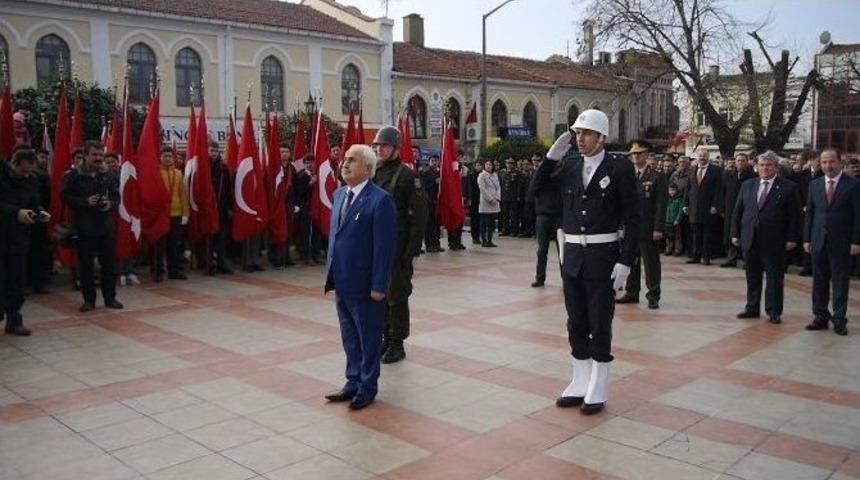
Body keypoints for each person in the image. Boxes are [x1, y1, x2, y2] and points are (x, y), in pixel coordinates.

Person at [533, 109, 640, 415]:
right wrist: (550, 160)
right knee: (576, 320)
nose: (580, 139)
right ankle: (580, 379)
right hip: (573, 256)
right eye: (578, 133)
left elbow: (634, 218)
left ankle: (599, 384)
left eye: (587, 133)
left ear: (601, 137)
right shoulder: (570, 165)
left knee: (599, 322)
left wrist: (626, 261)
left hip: (603, 256)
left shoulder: (618, 168)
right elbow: (537, 192)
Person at [324, 144, 397, 411]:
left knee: (368, 339)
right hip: (342, 282)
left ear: (368, 168)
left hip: (367, 286)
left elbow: (384, 248)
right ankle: (352, 381)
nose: (345, 163)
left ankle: (367, 387)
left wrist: (379, 286)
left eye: (352, 160)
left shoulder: (380, 200)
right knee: (349, 337)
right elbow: (337, 238)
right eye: (344, 159)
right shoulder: (339, 194)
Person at [372, 126, 427, 364]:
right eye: (376, 146)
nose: (378, 149)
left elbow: (420, 217)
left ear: (395, 147)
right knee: (380, 295)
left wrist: (410, 252)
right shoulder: (374, 173)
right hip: (378, 247)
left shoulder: (407, 176)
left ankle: (397, 342)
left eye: (383, 145)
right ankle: (386, 336)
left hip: (399, 247)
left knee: (397, 295)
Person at [731, 151, 802, 324]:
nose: (765, 168)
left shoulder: (788, 187)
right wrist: (735, 233)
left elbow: (795, 216)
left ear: (776, 167)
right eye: (762, 165)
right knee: (752, 276)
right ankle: (752, 307)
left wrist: (792, 238)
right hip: (751, 237)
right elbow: (738, 211)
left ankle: (774, 311)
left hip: (775, 240)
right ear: (756, 167)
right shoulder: (748, 185)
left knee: (774, 278)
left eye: (769, 165)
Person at [61, 141, 123, 313]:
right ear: (86, 156)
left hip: (105, 227)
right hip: (84, 226)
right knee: (86, 266)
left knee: (109, 265)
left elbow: (117, 197)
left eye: (100, 155)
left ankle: (110, 298)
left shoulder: (108, 175)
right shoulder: (74, 175)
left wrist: (110, 204)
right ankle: (89, 300)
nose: (98, 158)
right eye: (94, 154)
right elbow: (65, 196)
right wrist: (84, 202)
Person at [803, 149, 860, 336]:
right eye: (824, 162)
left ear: (840, 162)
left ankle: (839, 319)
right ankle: (820, 316)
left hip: (842, 242)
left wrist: (855, 241)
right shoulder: (815, 185)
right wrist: (807, 238)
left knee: (840, 282)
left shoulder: (853, 185)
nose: (828, 165)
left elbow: (858, 216)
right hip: (818, 240)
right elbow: (810, 214)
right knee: (819, 281)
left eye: (831, 161)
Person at [0, 149, 51, 335]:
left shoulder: (32, 179)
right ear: (14, 164)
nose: (26, 175)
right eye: (23, 171)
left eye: (30, 171)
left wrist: (39, 212)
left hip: (19, 238)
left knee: (17, 283)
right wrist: (15, 212)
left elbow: (34, 201)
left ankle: (14, 321)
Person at [617, 140, 667, 309]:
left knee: (651, 263)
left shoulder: (656, 176)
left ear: (646, 155)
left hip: (648, 227)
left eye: (639, 154)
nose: (636, 157)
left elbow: (661, 204)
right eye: (633, 154)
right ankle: (632, 292)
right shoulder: (628, 175)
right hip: (631, 228)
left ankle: (653, 295)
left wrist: (658, 228)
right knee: (631, 261)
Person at [527, 154, 562, 287]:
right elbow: (533, 190)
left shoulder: (561, 171)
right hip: (543, 215)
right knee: (542, 249)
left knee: (563, 249)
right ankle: (540, 277)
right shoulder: (540, 173)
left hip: (559, 215)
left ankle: (566, 278)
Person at [684, 147, 722, 265]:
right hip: (694, 207)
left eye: (704, 155)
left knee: (707, 234)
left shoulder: (715, 170)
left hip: (708, 207)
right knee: (695, 234)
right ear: (697, 157)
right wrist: (685, 204)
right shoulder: (692, 169)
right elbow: (688, 188)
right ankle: (695, 256)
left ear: (708, 156)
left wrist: (715, 205)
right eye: (700, 156)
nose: (702, 158)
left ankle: (706, 257)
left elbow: (718, 190)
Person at [156, 147, 189, 281]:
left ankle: (173, 270)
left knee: (174, 244)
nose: (168, 158)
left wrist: (185, 212)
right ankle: (158, 271)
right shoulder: (156, 173)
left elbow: (182, 194)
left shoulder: (178, 173)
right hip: (161, 214)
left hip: (176, 213)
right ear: (160, 157)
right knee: (160, 244)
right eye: (165, 156)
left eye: (170, 156)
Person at [721, 153, 757, 268]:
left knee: (745, 234)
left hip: (747, 208)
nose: (740, 163)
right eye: (738, 161)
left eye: (743, 161)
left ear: (747, 162)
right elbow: (722, 192)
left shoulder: (752, 176)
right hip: (731, 208)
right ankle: (731, 258)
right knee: (731, 232)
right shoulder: (729, 175)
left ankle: (747, 260)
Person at [209, 141, 234, 274]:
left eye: (215, 151)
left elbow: (228, 190)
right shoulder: (203, 166)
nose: (213, 153)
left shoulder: (223, 168)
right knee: (209, 238)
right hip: (208, 209)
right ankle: (209, 264)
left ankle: (221, 263)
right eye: (211, 150)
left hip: (222, 208)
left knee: (222, 237)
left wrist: (230, 208)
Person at [421, 154, 443, 252]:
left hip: (437, 202)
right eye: (432, 161)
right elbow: (423, 187)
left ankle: (436, 243)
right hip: (428, 202)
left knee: (437, 224)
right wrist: (434, 182)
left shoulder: (439, 173)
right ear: (429, 162)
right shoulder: (426, 173)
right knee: (429, 224)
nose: (434, 163)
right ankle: (429, 245)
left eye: (436, 161)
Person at [478, 159, 501, 248]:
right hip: (486, 201)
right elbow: (482, 189)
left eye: (490, 165)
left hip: (495, 201)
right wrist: (490, 199)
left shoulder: (495, 175)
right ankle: (484, 240)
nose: (489, 166)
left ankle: (490, 240)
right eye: (487, 165)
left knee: (491, 223)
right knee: (484, 222)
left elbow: (499, 187)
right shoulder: (481, 175)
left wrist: (497, 198)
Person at [664, 183, 685, 255]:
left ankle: (678, 249)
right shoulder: (667, 199)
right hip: (668, 220)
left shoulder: (679, 199)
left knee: (677, 237)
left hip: (675, 221)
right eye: (670, 190)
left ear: (676, 190)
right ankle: (669, 248)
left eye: (673, 190)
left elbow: (680, 210)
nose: (671, 192)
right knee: (668, 236)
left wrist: (678, 219)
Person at [467, 161, 483, 245]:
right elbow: (469, 187)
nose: (478, 167)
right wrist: (469, 198)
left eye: (480, 165)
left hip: (483, 199)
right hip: (474, 199)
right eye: (477, 165)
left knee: (481, 219)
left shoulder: (484, 175)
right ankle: (475, 237)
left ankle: (481, 235)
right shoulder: (471, 175)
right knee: (474, 219)